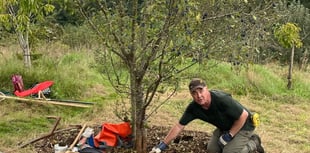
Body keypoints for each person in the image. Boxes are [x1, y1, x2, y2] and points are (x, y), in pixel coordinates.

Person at [150, 78, 265, 153]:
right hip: (225, 127)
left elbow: (243, 115)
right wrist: (162, 145)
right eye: (194, 93)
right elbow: (179, 126)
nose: (199, 95)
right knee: (212, 150)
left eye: (201, 90)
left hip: (244, 125)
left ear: (207, 89)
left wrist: (230, 135)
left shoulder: (221, 99)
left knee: (228, 152)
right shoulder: (193, 108)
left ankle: (254, 142)